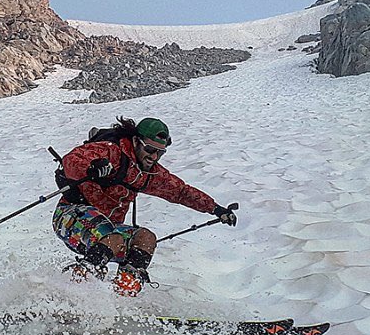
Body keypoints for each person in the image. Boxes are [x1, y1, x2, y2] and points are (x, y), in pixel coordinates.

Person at [53, 116, 238, 297]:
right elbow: (72, 159)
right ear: (135, 141)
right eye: (150, 149)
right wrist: (94, 165)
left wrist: (215, 209)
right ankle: (72, 289)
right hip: (70, 218)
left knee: (146, 238)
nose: (154, 156)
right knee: (114, 239)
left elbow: (180, 192)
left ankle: (123, 295)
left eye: (160, 152)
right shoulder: (112, 152)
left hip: (106, 231)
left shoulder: (149, 173)